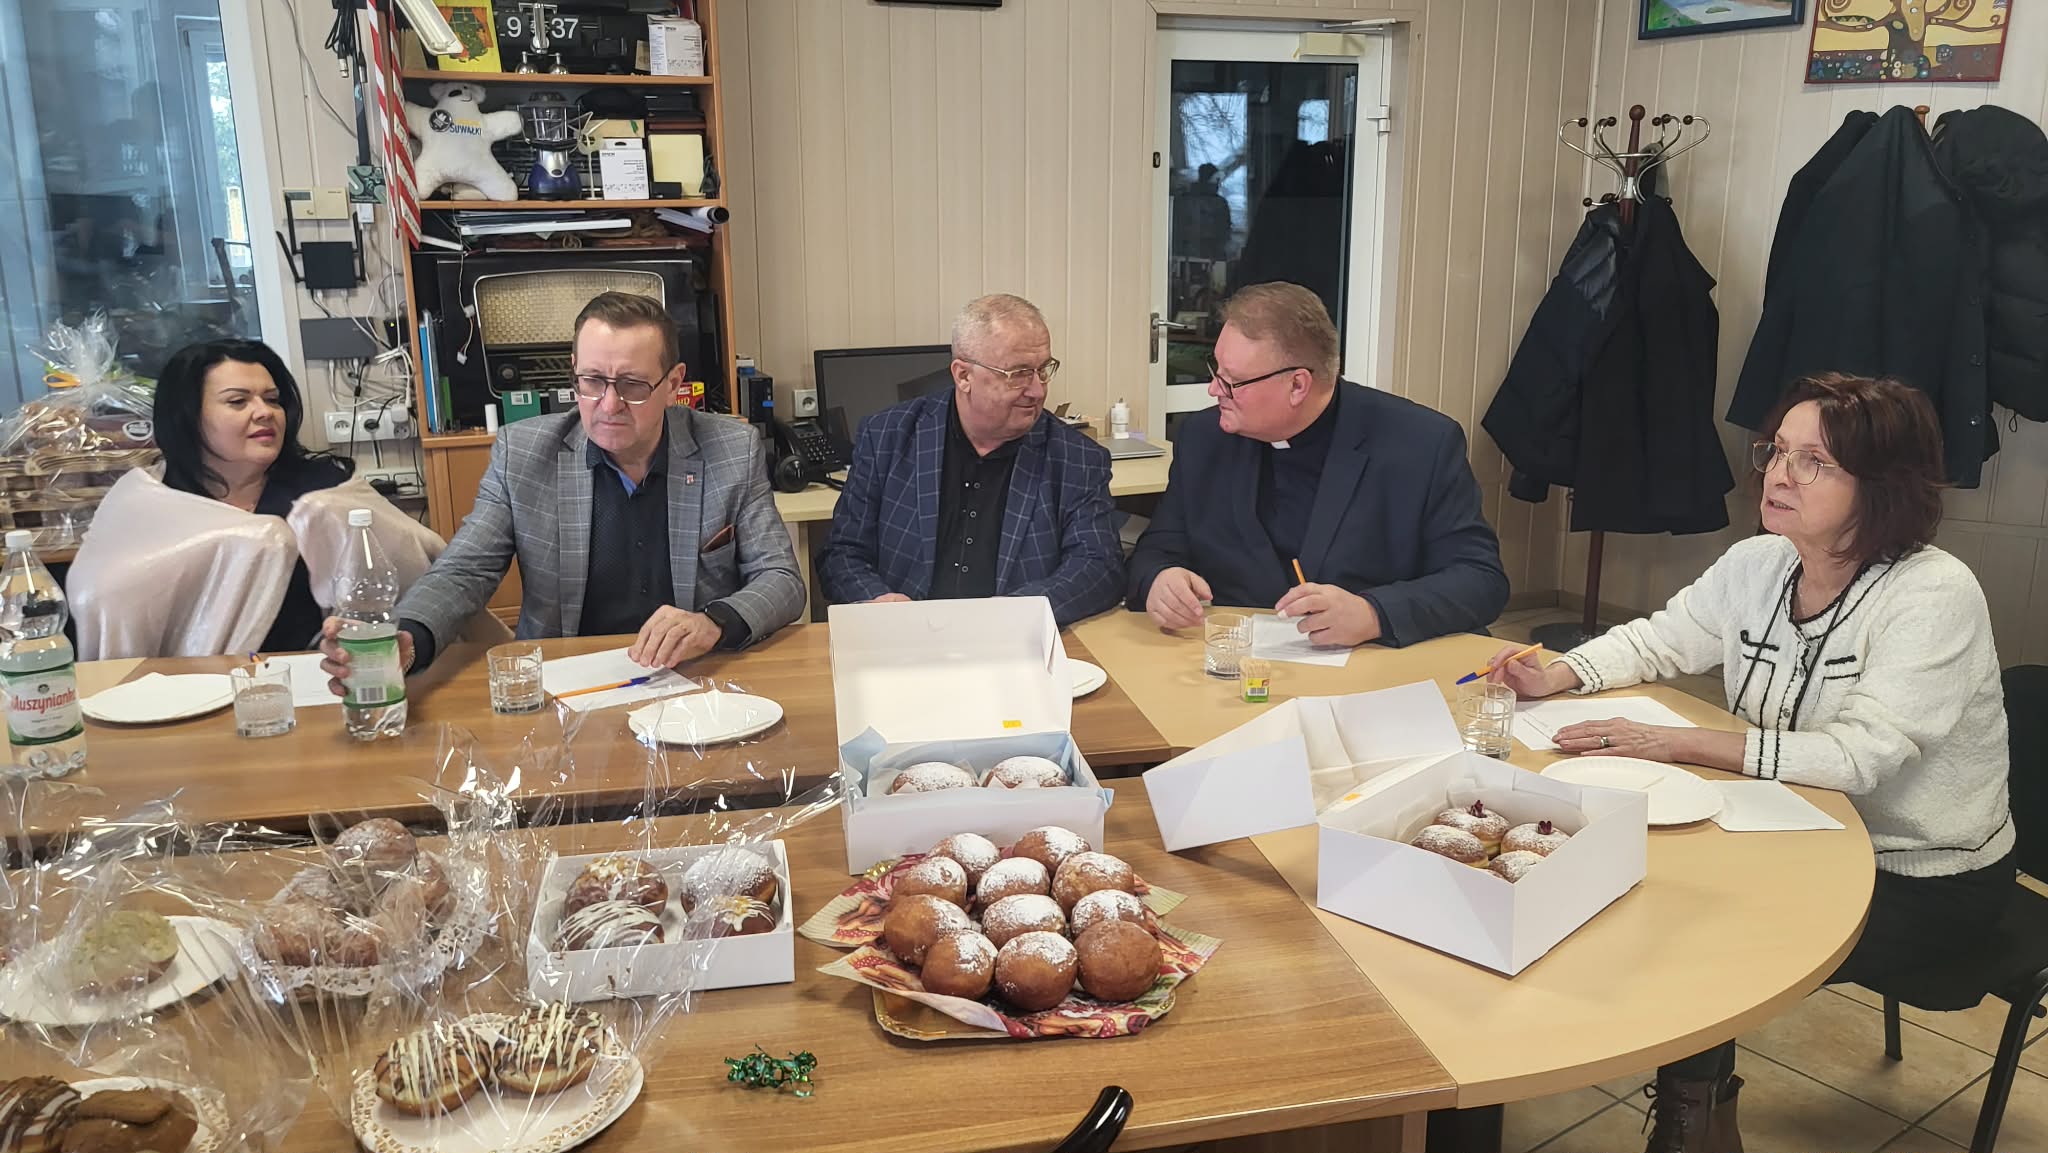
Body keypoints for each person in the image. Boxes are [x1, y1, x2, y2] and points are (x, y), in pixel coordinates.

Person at [1487, 373, 2013, 1153]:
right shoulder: (1761, 562)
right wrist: (1559, 673)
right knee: (1643, 885)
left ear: (1883, 485)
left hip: (1922, 873)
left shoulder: (1934, 592)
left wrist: (1683, 742)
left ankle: (1695, 1128)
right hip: (1794, 824)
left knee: (1704, 939)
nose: (1778, 474)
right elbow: (1661, 637)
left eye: (1814, 461)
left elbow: (1862, 754)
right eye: (1776, 451)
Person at [318, 291, 805, 686]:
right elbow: (463, 571)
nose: (609, 404)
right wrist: (409, 638)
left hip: (696, 678)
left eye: (633, 385)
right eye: (592, 380)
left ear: (674, 383)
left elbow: (781, 579)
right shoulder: (524, 453)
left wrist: (713, 621)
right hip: (568, 682)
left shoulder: (730, 449)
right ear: (574, 371)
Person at [1127, 281, 1509, 648]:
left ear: (1298, 385)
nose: (1214, 390)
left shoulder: (1420, 443)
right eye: (1216, 373)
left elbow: (1480, 580)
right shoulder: (1204, 438)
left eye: (1233, 382)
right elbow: (1157, 549)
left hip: (1370, 667)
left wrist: (1373, 614)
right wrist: (1160, 578)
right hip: (1234, 662)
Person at [819, 294, 1122, 627]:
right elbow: (843, 553)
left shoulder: (1076, 457)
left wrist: (1016, 612)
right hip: (905, 637)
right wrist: (878, 600)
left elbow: (1098, 566)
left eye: (1043, 370)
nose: (1038, 390)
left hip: (1013, 640)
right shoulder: (888, 436)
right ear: (963, 376)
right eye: (1019, 373)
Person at [150, 339, 353, 651]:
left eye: (272, 400)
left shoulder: (326, 493)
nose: (264, 412)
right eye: (238, 401)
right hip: (184, 677)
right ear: (187, 416)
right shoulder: (155, 504)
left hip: (309, 670)